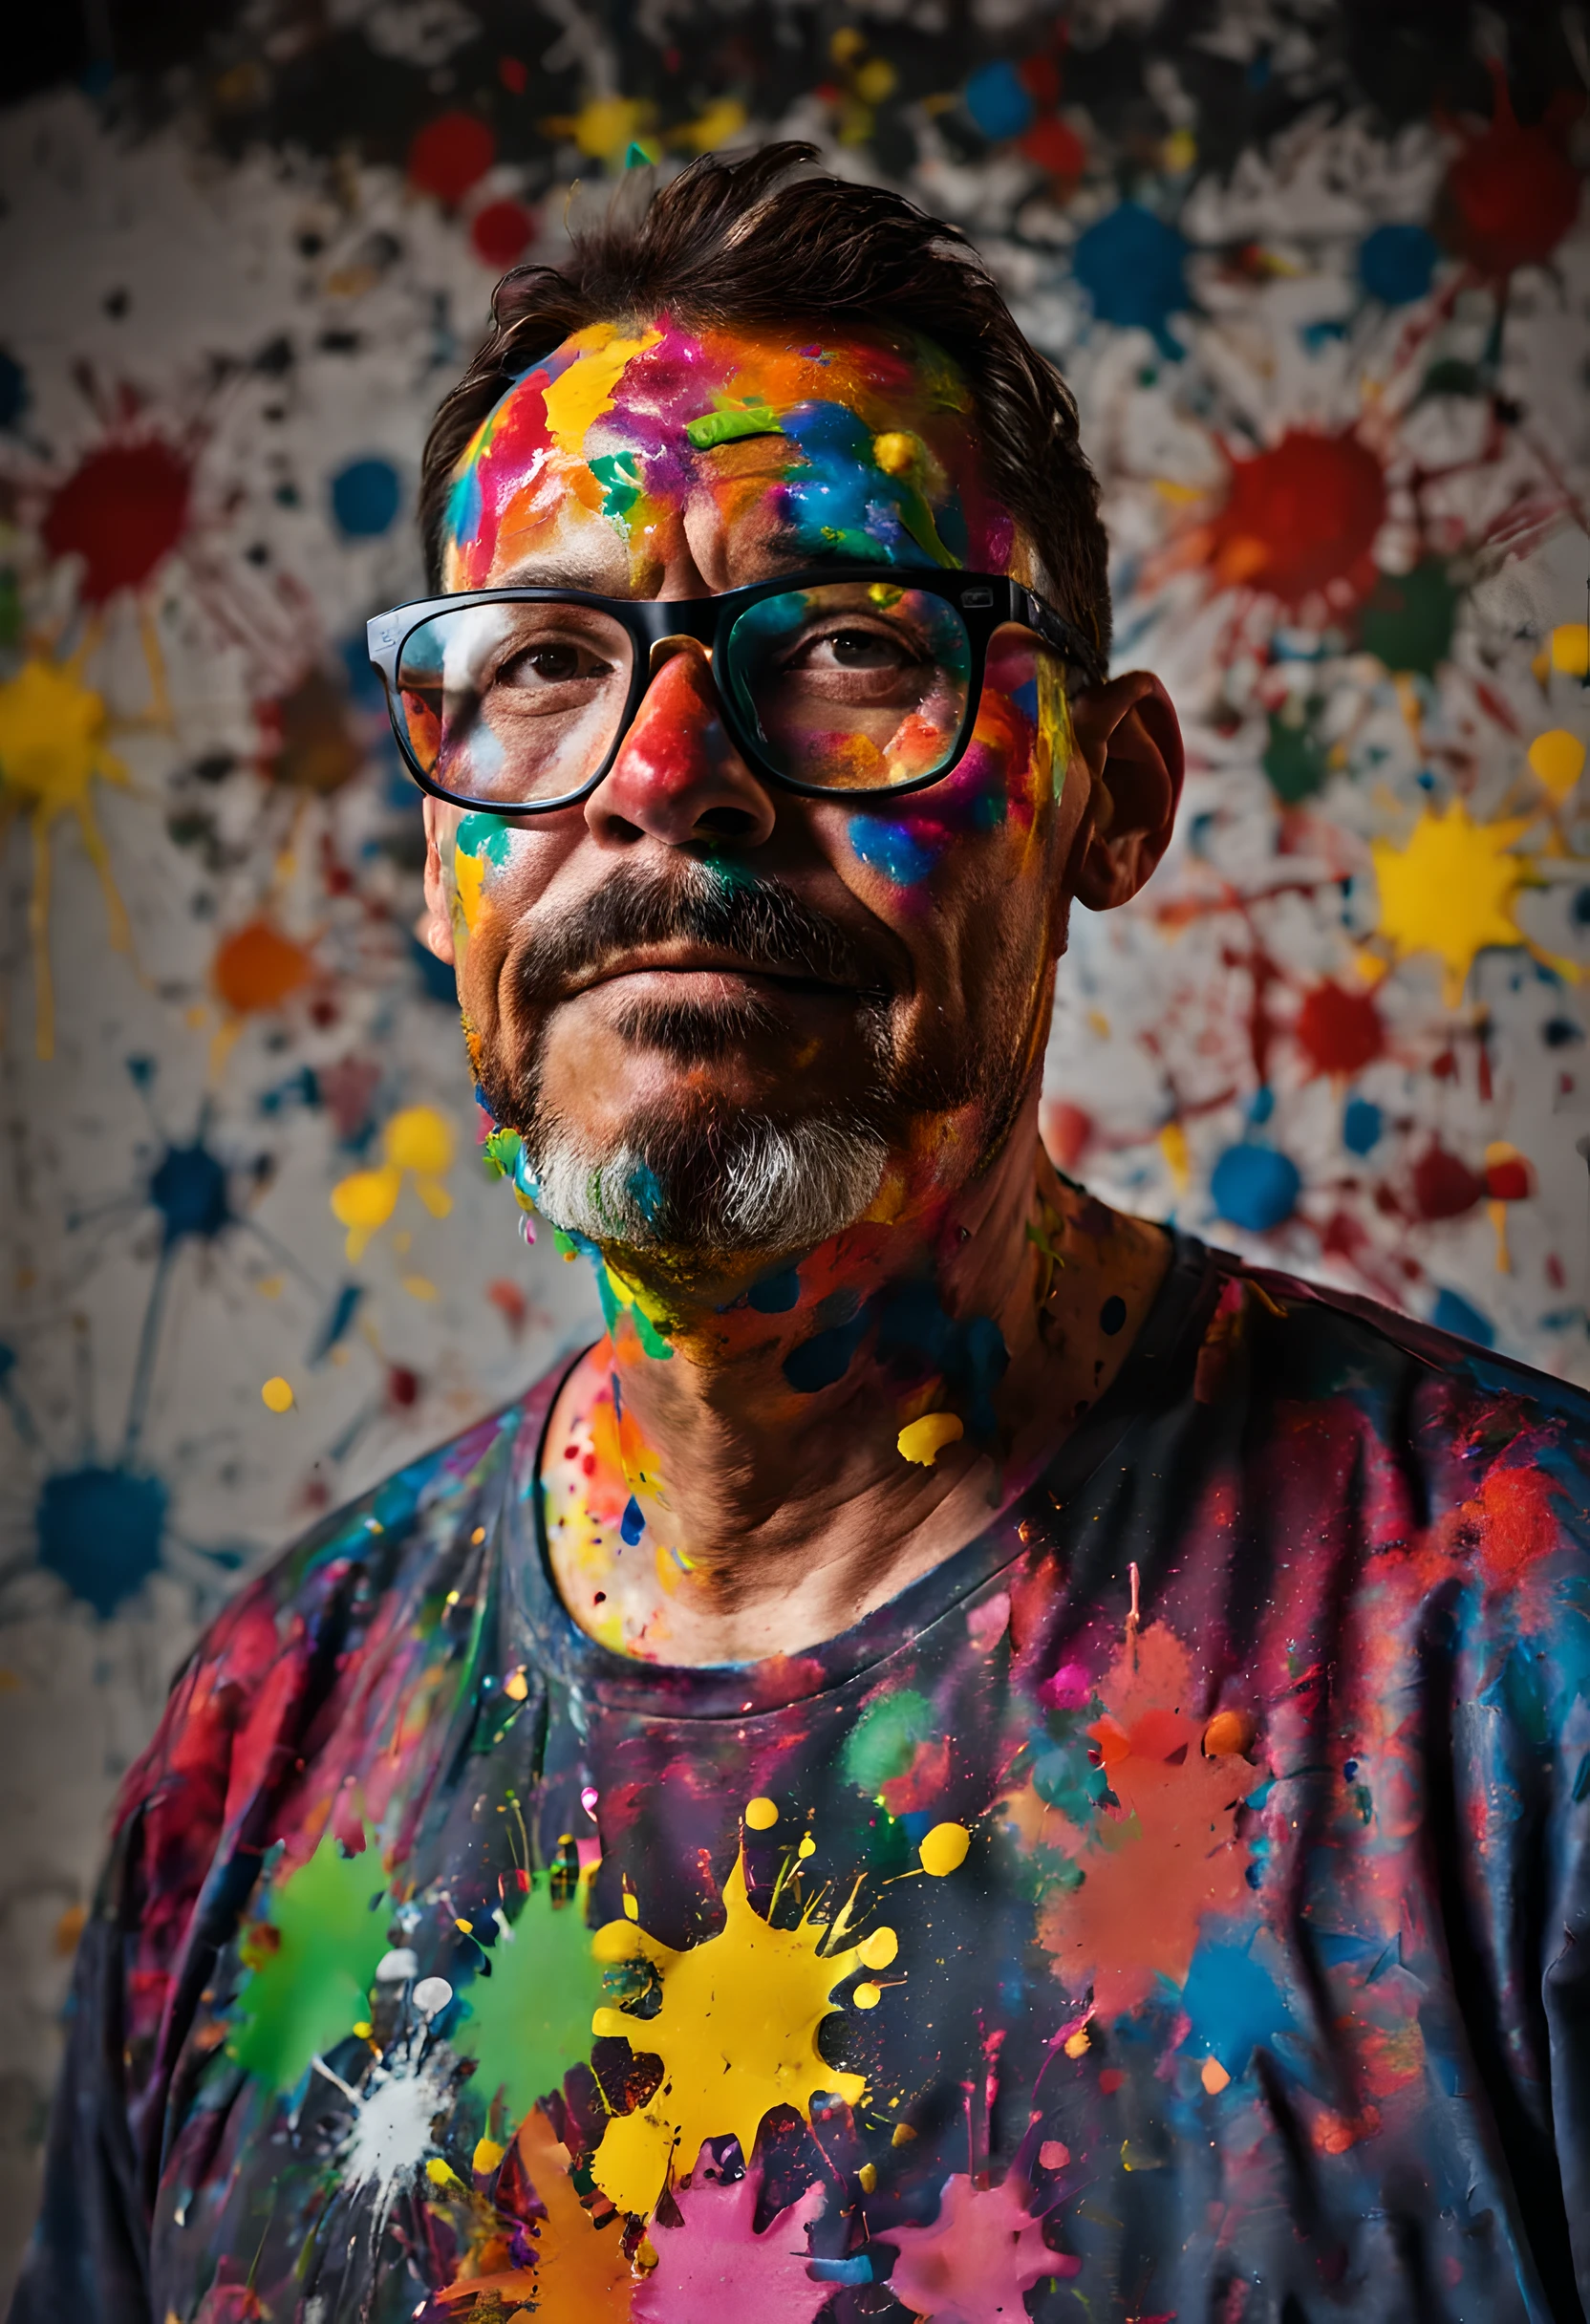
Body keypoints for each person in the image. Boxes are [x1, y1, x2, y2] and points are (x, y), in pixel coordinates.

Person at [14, 143, 1589, 2324]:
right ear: (434, 856)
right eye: (543, 663)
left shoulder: (1523, 1670)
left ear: (1105, 796)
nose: (666, 771)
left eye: (844, 640)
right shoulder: (261, 1746)